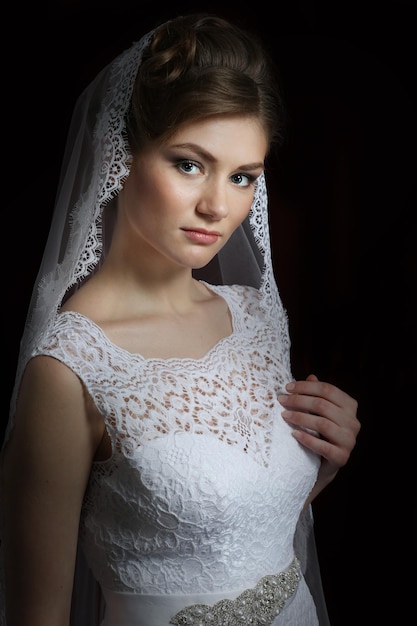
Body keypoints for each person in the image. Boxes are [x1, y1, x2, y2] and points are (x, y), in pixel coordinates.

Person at [0, 12, 360, 626]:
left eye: (243, 176)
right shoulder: (69, 369)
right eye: (190, 163)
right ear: (123, 154)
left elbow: (241, 534)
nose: (219, 206)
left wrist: (327, 456)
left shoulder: (257, 316)